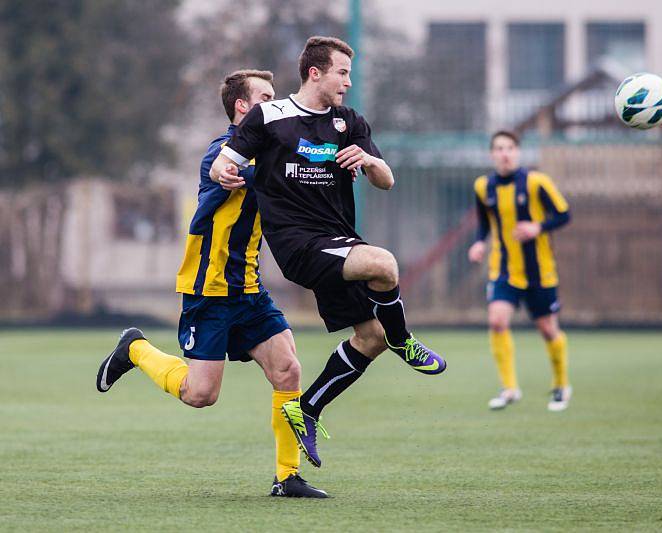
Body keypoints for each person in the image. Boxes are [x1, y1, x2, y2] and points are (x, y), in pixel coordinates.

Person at [209, 36, 446, 468]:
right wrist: (225, 170)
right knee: (384, 264)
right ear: (315, 73)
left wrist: (371, 163)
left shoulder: (348, 121)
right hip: (298, 244)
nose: (348, 82)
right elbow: (221, 161)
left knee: (370, 338)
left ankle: (310, 407)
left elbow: (387, 180)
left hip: (338, 240)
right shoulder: (270, 116)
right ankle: (405, 340)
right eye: (342, 72)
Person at [95, 70, 327, 498]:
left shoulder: (273, 152)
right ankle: (135, 349)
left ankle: (287, 477)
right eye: (266, 97)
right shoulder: (220, 154)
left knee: (288, 369)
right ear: (243, 106)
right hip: (210, 291)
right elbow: (250, 172)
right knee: (200, 394)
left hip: (250, 291)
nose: (276, 105)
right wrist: (311, 163)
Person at [468, 130, 572, 412]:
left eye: (510, 147)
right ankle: (509, 388)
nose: (504, 153)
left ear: (518, 152)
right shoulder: (483, 187)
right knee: (497, 322)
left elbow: (564, 214)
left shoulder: (537, 183)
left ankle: (561, 385)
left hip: (540, 272)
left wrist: (537, 227)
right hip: (503, 270)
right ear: (492, 154)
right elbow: (484, 223)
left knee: (548, 330)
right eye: (499, 148)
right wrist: (479, 243)